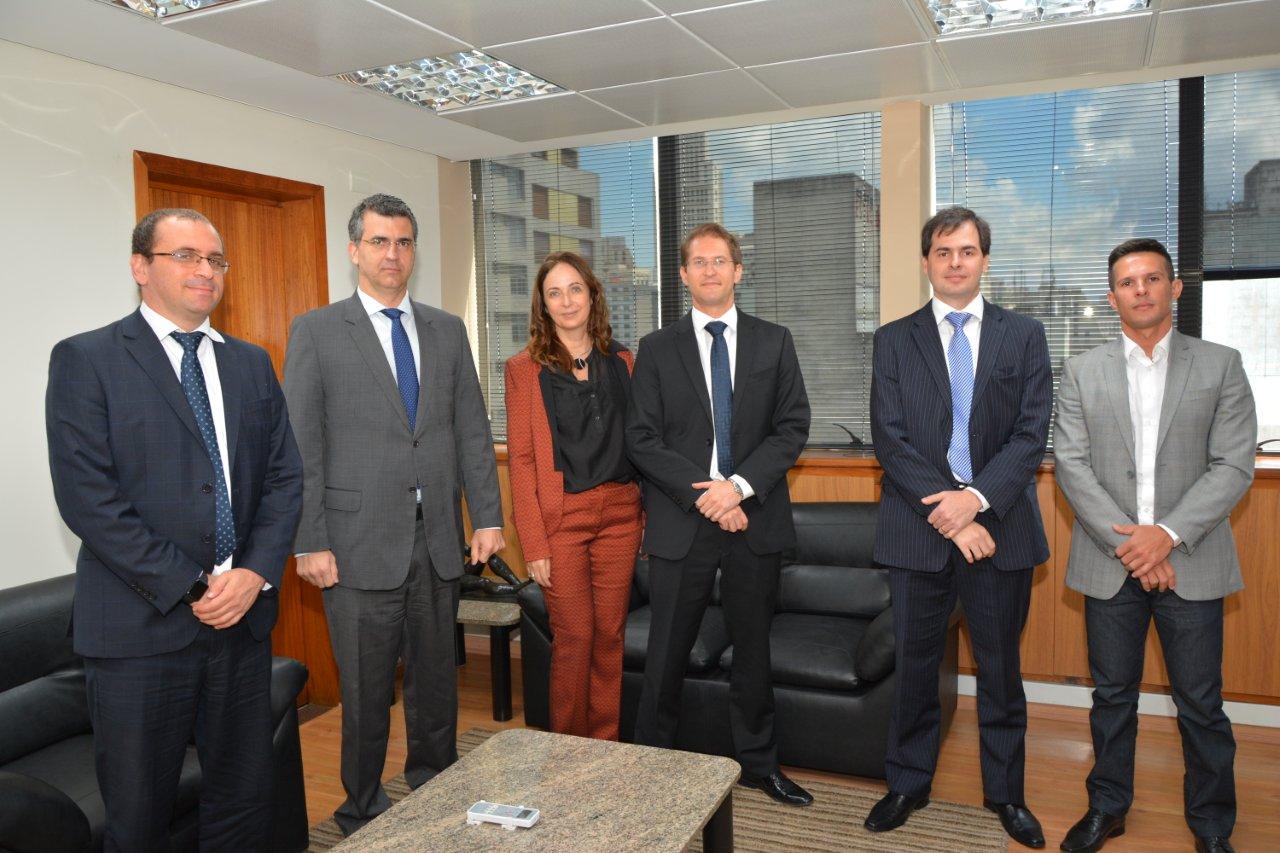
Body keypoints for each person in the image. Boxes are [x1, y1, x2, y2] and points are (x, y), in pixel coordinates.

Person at [45, 208, 303, 851]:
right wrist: (193, 586)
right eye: (185, 255)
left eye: (215, 259)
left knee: (243, 804)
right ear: (140, 266)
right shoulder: (87, 358)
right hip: (139, 632)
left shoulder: (251, 363)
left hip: (241, 623)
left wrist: (255, 572)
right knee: (139, 819)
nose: (205, 270)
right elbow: (88, 500)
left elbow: (284, 479)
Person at [283, 194, 504, 835]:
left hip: (437, 540)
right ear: (354, 250)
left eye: (403, 242)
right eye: (379, 241)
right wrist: (309, 540)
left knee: (436, 682)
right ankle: (361, 808)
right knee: (366, 690)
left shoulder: (446, 329)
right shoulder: (317, 331)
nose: (392, 254)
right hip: (354, 544)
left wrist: (487, 517)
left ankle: (435, 785)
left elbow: (471, 431)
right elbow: (302, 445)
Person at [1054, 239, 1255, 853]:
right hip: (1109, 561)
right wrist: (1135, 548)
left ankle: (1212, 824)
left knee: (1201, 703)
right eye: (1126, 282)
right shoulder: (1081, 370)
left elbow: (1232, 465)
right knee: (1112, 697)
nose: (1139, 290)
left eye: (1151, 279)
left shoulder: (1220, 364)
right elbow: (1071, 466)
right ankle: (1107, 807)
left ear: (1175, 288)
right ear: (1111, 296)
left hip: (1191, 560)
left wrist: (1164, 537)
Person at [865, 206, 1052, 848]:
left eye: (966, 251)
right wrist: (950, 515)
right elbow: (890, 439)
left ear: (984, 260)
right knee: (916, 668)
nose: (954, 262)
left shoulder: (1024, 335)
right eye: (943, 251)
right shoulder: (893, 339)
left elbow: (1030, 435)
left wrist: (972, 501)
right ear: (926, 262)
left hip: (999, 529)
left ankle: (1007, 795)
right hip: (918, 532)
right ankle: (907, 784)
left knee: (1000, 671)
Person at [625, 222, 813, 806]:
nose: (710, 270)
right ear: (683, 275)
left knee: (753, 653)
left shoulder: (773, 341)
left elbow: (792, 428)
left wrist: (737, 489)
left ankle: (759, 766)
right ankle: (650, 768)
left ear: (738, 270)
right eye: (699, 262)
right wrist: (706, 495)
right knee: (665, 654)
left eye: (720, 260)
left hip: (753, 519)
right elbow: (641, 438)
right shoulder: (657, 348)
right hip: (683, 521)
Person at [504, 251, 643, 740]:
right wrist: (534, 543)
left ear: (593, 295)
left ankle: (604, 746)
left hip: (621, 516)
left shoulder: (623, 360)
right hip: (562, 520)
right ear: (543, 305)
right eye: (554, 293)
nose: (567, 301)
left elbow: (642, 440)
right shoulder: (524, 369)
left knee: (609, 637)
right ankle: (566, 751)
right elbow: (522, 460)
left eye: (575, 289)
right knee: (574, 636)